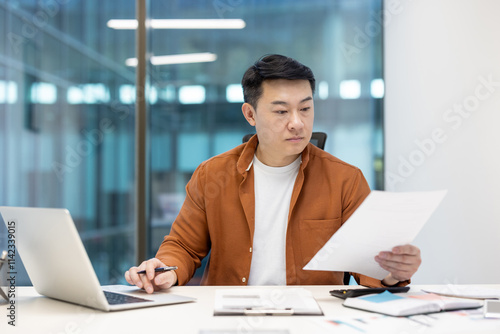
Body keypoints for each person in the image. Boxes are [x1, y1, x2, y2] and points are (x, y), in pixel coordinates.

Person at [125, 54, 421, 293]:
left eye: (305, 109)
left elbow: (368, 268)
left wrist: (393, 273)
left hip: (313, 321)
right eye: (281, 112)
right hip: (230, 317)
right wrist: (164, 271)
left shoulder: (345, 179)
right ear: (250, 114)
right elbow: (184, 246)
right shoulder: (211, 175)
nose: (297, 123)